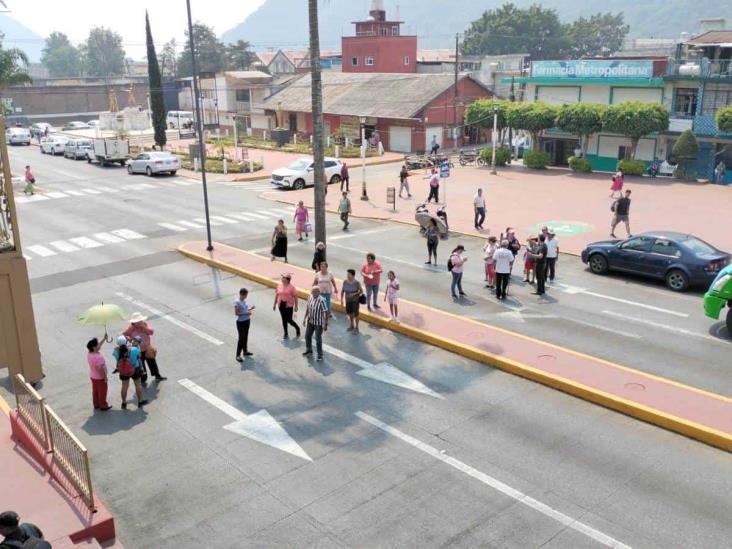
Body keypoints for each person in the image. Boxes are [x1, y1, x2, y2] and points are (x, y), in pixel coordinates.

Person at [124, 313, 166, 384]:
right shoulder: (131, 327)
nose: (139, 322)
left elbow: (151, 332)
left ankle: (157, 375)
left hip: (147, 348)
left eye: (140, 320)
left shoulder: (144, 324)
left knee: (152, 362)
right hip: (138, 350)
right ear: (134, 322)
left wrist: (144, 328)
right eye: (137, 321)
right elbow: (124, 334)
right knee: (141, 365)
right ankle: (143, 378)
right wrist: (130, 339)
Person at [113, 336, 147, 409]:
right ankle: (140, 401)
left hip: (123, 370)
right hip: (135, 369)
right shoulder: (134, 349)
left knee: (124, 386)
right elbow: (139, 356)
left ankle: (124, 403)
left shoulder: (115, 351)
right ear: (126, 342)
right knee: (138, 385)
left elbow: (118, 357)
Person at [302, 287, 328, 361]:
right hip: (310, 321)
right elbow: (308, 308)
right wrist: (304, 318)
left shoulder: (321, 300)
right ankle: (309, 350)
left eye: (314, 293)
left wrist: (325, 323)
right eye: (312, 292)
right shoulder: (310, 297)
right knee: (307, 336)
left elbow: (326, 311)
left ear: (318, 293)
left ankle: (320, 355)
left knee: (318, 339)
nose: (312, 294)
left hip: (318, 323)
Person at [86, 337, 111, 411]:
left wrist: (104, 339)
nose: (99, 346)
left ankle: (96, 404)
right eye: (97, 345)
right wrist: (105, 377)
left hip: (93, 376)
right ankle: (103, 405)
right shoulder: (99, 357)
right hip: (100, 377)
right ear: (94, 347)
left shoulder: (89, 354)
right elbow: (101, 369)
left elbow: (98, 346)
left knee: (95, 390)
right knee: (102, 391)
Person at [273, 273, 300, 339]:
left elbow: (296, 297)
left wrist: (296, 306)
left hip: (289, 306)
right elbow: (277, 295)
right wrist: (274, 304)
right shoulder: (279, 286)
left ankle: (297, 328)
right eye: (282, 277)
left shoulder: (292, 288)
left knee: (289, 320)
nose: (282, 279)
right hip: (281, 305)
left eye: (283, 278)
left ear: (287, 280)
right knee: (284, 319)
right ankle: (286, 333)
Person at [235, 288, 254, 361]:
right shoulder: (237, 302)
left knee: (245, 337)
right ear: (241, 294)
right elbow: (237, 313)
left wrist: (250, 309)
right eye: (245, 295)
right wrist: (247, 313)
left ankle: (245, 351)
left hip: (247, 321)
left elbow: (245, 310)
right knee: (241, 338)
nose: (246, 296)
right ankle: (238, 355)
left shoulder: (244, 301)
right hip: (241, 322)